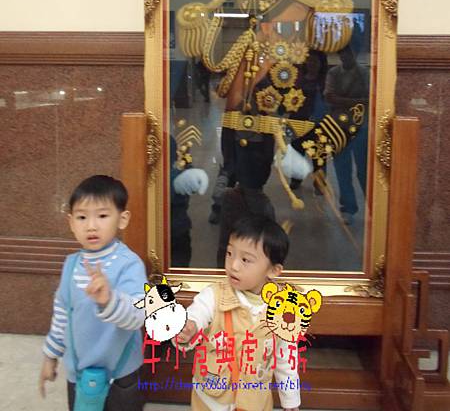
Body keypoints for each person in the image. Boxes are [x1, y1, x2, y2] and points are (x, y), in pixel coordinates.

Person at [177, 0, 365, 223]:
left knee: (254, 199)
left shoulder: (306, 11)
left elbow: (318, 83)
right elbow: (217, 70)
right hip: (237, 125)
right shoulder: (214, 10)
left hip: (282, 126)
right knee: (238, 183)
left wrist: (304, 144)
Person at [38, 175, 147, 410]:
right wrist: (51, 356)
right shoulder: (71, 265)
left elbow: (139, 315)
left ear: (122, 219)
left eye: (102, 216)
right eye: (82, 217)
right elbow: (62, 314)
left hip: (121, 373)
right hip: (79, 372)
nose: (91, 226)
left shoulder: (129, 264)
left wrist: (109, 301)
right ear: (71, 222)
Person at [176, 214, 301, 410]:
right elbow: (196, 315)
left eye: (245, 259)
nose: (233, 265)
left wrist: (291, 401)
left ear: (273, 271)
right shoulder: (213, 296)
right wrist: (187, 328)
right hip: (212, 402)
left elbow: (286, 357)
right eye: (229, 253)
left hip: (255, 403)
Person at [324, 45, 369, 225]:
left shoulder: (364, 73)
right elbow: (329, 97)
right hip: (339, 128)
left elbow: (370, 99)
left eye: (348, 53)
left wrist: (342, 101)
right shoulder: (334, 73)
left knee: (364, 171)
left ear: (354, 53)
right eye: (342, 53)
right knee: (342, 170)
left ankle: (372, 207)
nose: (345, 56)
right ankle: (348, 208)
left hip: (360, 127)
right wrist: (356, 102)